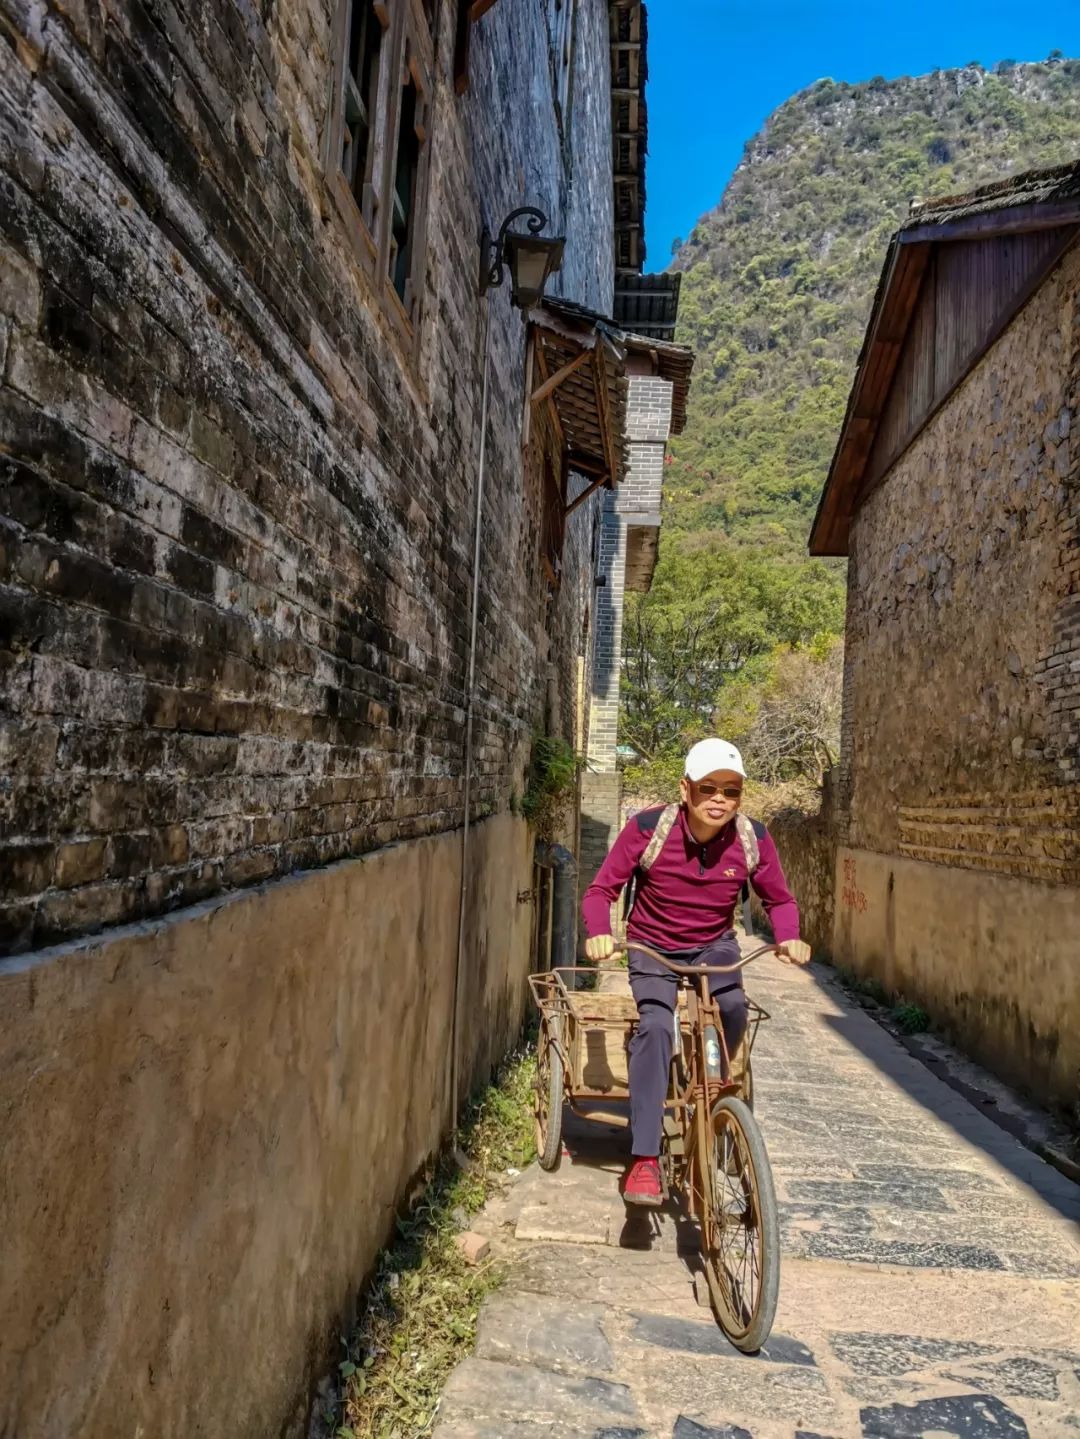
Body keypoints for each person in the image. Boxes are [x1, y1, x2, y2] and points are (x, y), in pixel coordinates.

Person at [580, 738, 811, 1207]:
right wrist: (599, 933)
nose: (720, 800)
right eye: (709, 788)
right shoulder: (648, 829)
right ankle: (644, 1158)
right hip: (652, 944)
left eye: (732, 790)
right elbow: (601, 891)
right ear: (686, 789)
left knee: (731, 1005)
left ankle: (717, 1090)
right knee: (657, 1027)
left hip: (713, 944)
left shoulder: (753, 838)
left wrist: (788, 936)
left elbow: (780, 899)